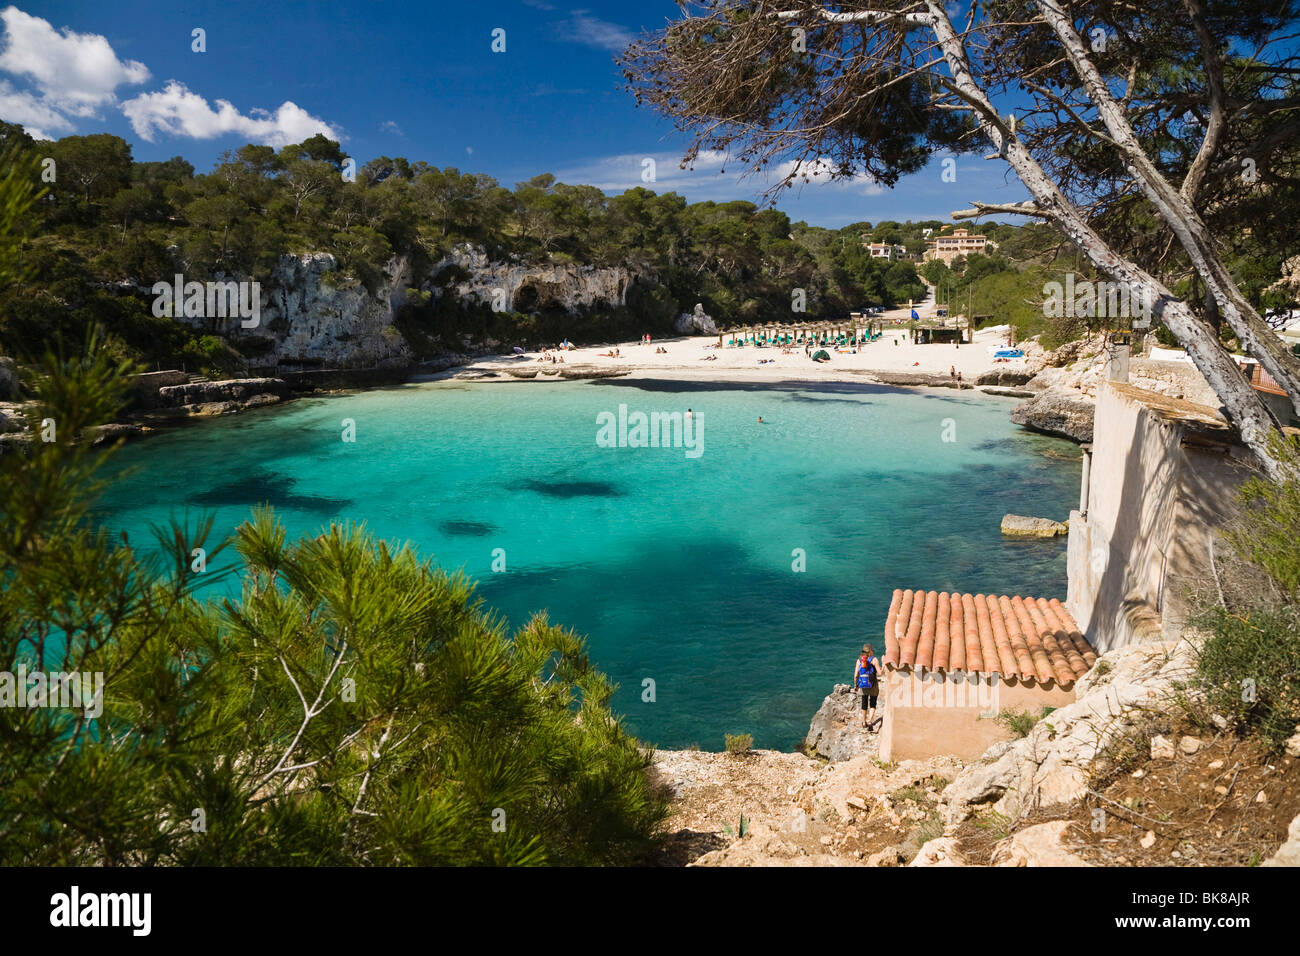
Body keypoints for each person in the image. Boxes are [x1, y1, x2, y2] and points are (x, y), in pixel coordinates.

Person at [853, 643, 881, 730]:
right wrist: (883, 667)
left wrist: (856, 685)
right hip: (873, 685)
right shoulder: (874, 659)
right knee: (873, 703)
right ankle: (870, 721)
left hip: (863, 685)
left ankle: (864, 722)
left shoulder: (859, 660)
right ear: (871, 651)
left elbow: (856, 675)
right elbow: (880, 673)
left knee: (864, 703)